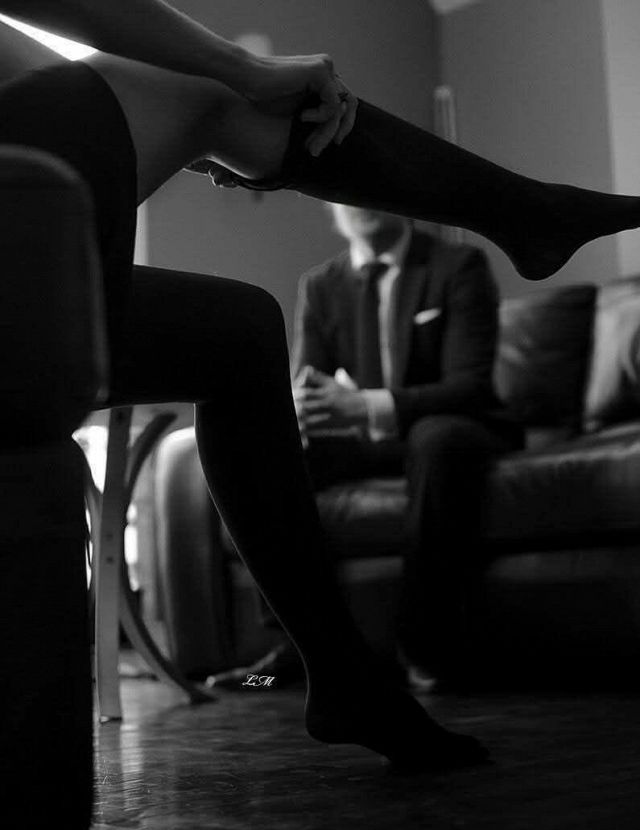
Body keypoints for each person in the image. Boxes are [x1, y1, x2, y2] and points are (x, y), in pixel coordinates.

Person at [1, 0, 640, 773]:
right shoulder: (329, 285)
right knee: (208, 86)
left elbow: (24, 70)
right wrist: (230, 79)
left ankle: (347, 676)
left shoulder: (454, 270)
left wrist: (178, 122)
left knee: (236, 335)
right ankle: (532, 212)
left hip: (432, 425)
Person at [214, 205, 521, 690]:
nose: (357, 203)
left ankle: (426, 646)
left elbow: (469, 387)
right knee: (265, 456)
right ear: (331, 209)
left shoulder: (458, 265)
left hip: (451, 427)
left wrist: (363, 406)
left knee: (437, 438)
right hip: (363, 441)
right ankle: (298, 646)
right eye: (343, 195)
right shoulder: (320, 284)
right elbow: (309, 383)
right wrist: (302, 408)